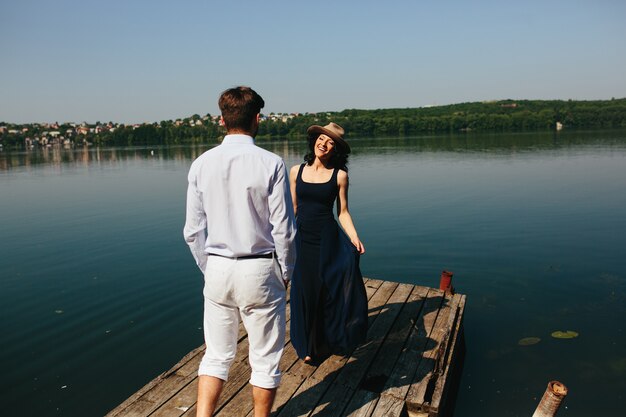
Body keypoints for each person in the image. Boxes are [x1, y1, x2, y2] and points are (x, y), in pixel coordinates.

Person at [183, 86, 296, 417]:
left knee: (216, 356)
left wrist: (210, 267)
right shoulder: (271, 164)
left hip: (217, 270)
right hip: (259, 269)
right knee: (264, 359)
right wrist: (285, 272)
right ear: (257, 119)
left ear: (222, 120)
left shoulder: (201, 164)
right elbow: (285, 231)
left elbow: (192, 232)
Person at [289, 122, 368, 366]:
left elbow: (342, 212)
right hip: (302, 238)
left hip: (327, 238)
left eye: (331, 142)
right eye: (322, 138)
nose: (324, 143)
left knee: (326, 289)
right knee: (304, 289)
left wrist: (354, 236)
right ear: (314, 141)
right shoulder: (295, 171)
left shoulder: (339, 176)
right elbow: (292, 209)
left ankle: (323, 341)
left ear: (336, 149)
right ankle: (307, 345)